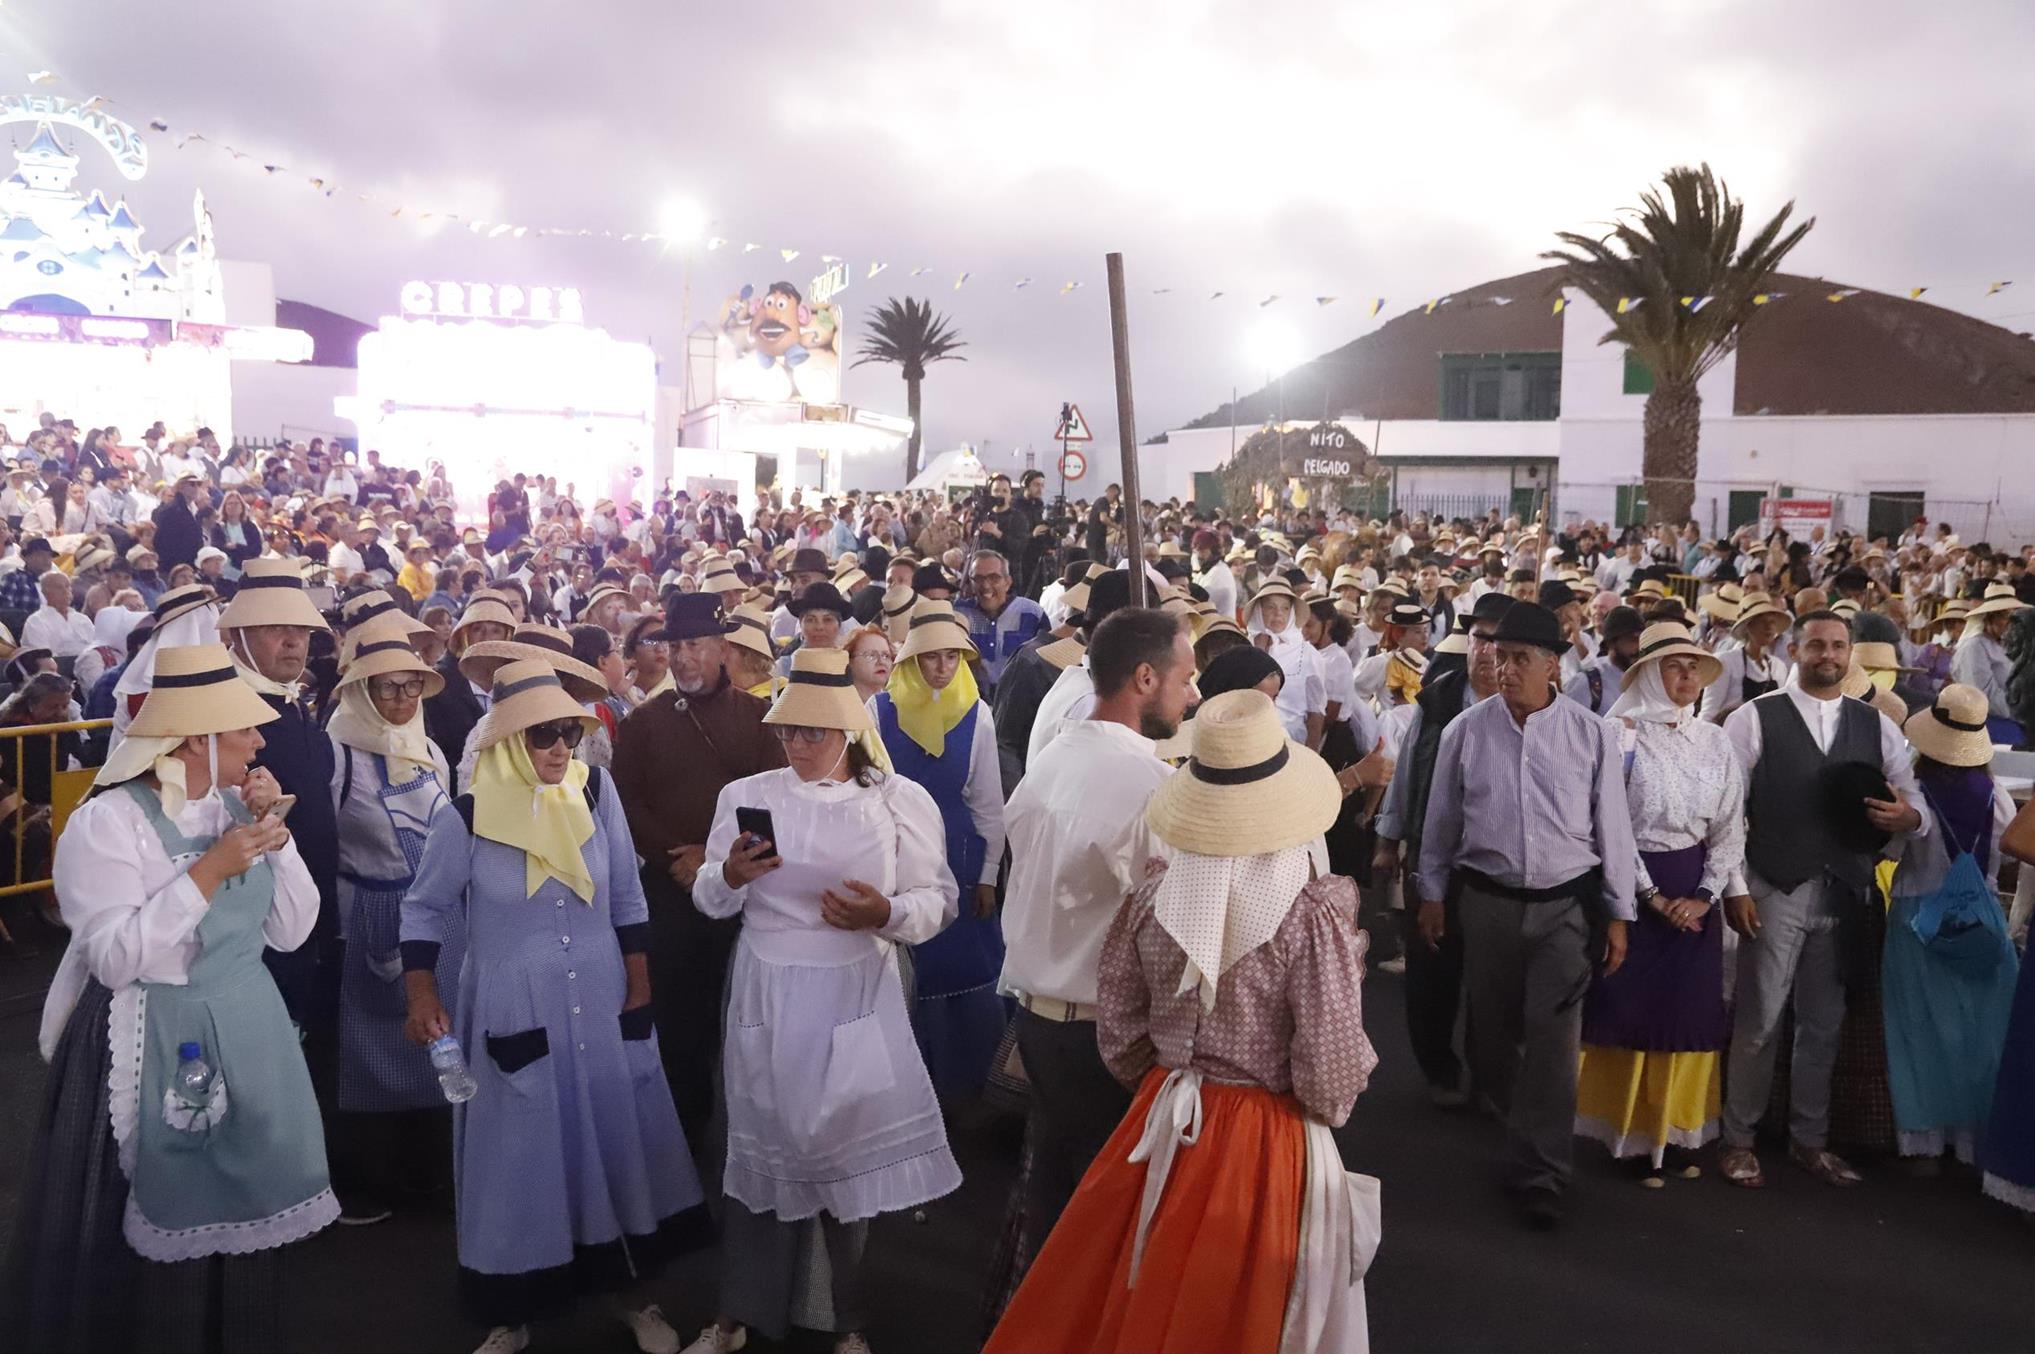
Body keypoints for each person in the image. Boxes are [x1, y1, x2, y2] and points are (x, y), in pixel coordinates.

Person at [986, 688, 1378, 1352]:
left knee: (1135, 1289)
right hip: (1264, 1137)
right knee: (1236, 1310)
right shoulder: (1309, 916)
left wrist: (1171, 1073)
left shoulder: (1153, 898)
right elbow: (1329, 1074)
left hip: (1162, 1115)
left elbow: (1121, 1031)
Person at [3, 644, 333, 1352]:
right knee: (145, 1214)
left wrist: (278, 842)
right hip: (149, 1031)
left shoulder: (229, 807)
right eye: (244, 728)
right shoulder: (107, 824)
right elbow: (117, 958)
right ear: (196, 739)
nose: (259, 739)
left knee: (244, 1206)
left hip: (244, 1031)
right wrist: (209, 871)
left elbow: (293, 929)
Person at [399, 656, 704, 1354]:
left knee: (617, 1143)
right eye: (542, 735)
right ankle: (511, 1308)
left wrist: (639, 987)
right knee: (518, 1159)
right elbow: (422, 911)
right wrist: (421, 993)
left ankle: (633, 1295)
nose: (561, 746)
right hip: (512, 1007)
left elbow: (625, 891)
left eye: (569, 730)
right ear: (506, 741)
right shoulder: (469, 817)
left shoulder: (596, 795)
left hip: (601, 1000)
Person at [684, 647, 961, 1354]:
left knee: (845, 1152)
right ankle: (738, 1312)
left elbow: (938, 900)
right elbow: (710, 899)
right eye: (788, 731)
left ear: (847, 731)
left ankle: (847, 1317)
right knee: (755, 1147)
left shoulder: (896, 800)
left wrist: (885, 914)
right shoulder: (749, 796)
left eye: (812, 732)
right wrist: (732, 876)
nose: (797, 744)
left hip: (852, 986)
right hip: (767, 985)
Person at [989, 606, 1199, 1314]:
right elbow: (1172, 925)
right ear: (1144, 678)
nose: (1190, 697)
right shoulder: (1144, 787)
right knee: (1104, 1221)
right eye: (1183, 678)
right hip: (1098, 1033)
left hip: (1038, 1018)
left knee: (1056, 1199)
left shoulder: (1056, 754)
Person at [1414, 601, 1637, 1228]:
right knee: (1493, 1034)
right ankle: (1518, 1131)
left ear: (1552, 667)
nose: (1503, 668)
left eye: (1519, 659)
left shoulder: (1592, 734)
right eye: (1498, 656)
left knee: (1555, 1045)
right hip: (1485, 903)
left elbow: (1611, 829)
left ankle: (1543, 1171)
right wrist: (1431, 894)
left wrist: (1618, 913)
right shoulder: (1465, 730)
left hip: (1565, 909)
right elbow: (1441, 822)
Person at [1717, 610, 1928, 1190]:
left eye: (1837, 646)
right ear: (1795, 649)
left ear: (1851, 652)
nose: (1827, 656)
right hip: (1773, 889)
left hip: (1844, 891)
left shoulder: (1876, 724)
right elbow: (1725, 814)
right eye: (1817, 646)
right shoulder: (1753, 718)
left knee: (1823, 1025)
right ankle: (1738, 1140)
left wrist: (1907, 816)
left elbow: (1913, 802)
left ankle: (1810, 1140)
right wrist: (1735, 887)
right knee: (1758, 1021)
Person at [611, 593, 786, 1144]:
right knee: (679, 1020)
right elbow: (626, 803)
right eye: (675, 645)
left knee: (740, 1014)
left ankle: (746, 1131)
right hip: (667, 894)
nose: (682, 657)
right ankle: (683, 1139)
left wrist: (714, 861)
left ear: (721, 650)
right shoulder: (643, 723)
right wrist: (677, 855)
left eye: (694, 645)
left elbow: (774, 806)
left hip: (744, 896)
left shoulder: (759, 719)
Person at [1574, 623, 1744, 1185]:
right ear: (1648, 673)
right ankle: (1625, 1137)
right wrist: (1649, 895)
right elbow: (1610, 822)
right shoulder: (1617, 735)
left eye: (1694, 668)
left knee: (1687, 1013)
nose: (1687, 677)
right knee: (1628, 1007)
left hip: (1696, 886)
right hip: (1630, 884)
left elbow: (1729, 826)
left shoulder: (1715, 741)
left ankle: (1675, 1135)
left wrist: (1702, 896)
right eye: (1675, 667)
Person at [326, 622, 457, 1224]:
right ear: (360, 691)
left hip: (430, 916)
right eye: (388, 689)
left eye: (411, 688)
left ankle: (425, 1171)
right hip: (371, 919)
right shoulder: (340, 754)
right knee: (371, 1050)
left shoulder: (428, 751)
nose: (403, 701)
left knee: (432, 1042)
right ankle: (366, 1182)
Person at [873, 599, 1009, 1097]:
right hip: (896, 847)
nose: (942, 667)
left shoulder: (978, 714)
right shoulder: (879, 710)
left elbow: (988, 800)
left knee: (965, 960)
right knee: (911, 958)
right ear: (911, 660)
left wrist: (989, 873)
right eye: (931, 657)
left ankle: (974, 1087)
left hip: (959, 848)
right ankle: (911, 1087)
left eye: (952, 657)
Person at [1882, 683, 2019, 1168]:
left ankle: (1924, 1142)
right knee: (1980, 1032)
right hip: (1980, 923)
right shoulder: (1997, 795)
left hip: (1916, 919)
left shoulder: (1910, 794)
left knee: (1917, 1033)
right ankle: (1973, 1138)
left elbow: (1893, 850)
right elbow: (2003, 859)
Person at [216, 558, 343, 1033]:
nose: (294, 641)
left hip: (312, 900)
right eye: (275, 628)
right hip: (260, 920)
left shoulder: (288, 699)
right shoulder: (223, 710)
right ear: (240, 635)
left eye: (302, 629)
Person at [422, 591, 518, 772]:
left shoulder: (519, 680)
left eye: (496, 630)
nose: (487, 637)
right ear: (465, 635)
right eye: (478, 629)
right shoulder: (440, 685)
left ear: (508, 636)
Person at [954, 548, 1048, 696]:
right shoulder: (961, 613)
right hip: (971, 698)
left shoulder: (1031, 613)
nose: (985, 585)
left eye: (994, 578)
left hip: (1019, 700)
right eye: (978, 578)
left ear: (1008, 582)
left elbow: (1046, 664)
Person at [1245, 579, 1326, 747]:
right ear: (1259, 610)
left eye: (1285, 608)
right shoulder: (1243, 649)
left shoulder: (1308, 655)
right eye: (1270, 607)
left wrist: (1311, 757)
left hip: (1293, 745)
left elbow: (1315, 714)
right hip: (1250, 742)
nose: (1278, 614)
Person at [1699, 591, 1792, 723]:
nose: (1769, 627)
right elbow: (1710, 710)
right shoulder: (1727, 661)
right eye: (1762, 622)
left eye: (1772, 622)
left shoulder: (1779, 667)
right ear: (1748, 625)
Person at [1952, 582, 2025, 742]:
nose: (2012, 622)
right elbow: (1984, 696)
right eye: (2005, 616)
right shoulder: (1974, 647)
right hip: (1990, 726)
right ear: (1989, 617)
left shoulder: (2008, 646)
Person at [1562, 605, 1644, 716]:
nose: (1639, 647)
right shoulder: (1587, 683)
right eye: (1633, 639)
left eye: (1642, 640)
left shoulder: (1647, 679)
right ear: (1611, 643)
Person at [20, 568, 94, 657]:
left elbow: (98, 649)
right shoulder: (36, 622)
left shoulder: (83, 619)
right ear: (45, 592)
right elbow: (44, 659)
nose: (65, 591)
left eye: (67, 586)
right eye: (59, 587)